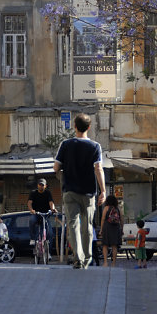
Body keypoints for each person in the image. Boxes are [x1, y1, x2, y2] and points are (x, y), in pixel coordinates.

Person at [53, 113, 106, 269]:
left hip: (70, 191)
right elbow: (98, 168)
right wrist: (103, 191)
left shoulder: (65, 145)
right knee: (87, 225)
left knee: (73, 225)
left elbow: (56, 167)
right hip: (89, 192)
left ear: (74, 127)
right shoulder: (95, 146)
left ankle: (78, 258)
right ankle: (87, 257)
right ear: (89, 127)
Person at [27, 177, 55, 246]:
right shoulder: (33, 193)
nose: (41, 186)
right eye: (40, 184)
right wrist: (31, 210)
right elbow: (29, 202)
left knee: (50, 234)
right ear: (37, 185)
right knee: (32, 220)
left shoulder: (48, 192)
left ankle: (49, 254)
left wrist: (53, 209)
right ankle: (32, 238)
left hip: (45, 215)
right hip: (36, 214)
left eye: (43, 185)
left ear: (45, 186)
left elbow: (51, 202)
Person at [100, 194, 123, 267]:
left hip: (107, 227)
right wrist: (121, 228)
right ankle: (114, 263)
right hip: (116, 228)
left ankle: (106, 262)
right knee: (114, 246)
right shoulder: (118, 208)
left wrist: (101, 229)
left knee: (105, 245)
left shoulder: (106, 208)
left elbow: (103, 219)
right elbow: (122, 219)